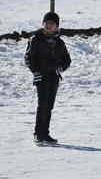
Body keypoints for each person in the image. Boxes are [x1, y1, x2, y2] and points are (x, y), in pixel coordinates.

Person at [24, 11, 71, 145]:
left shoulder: (59, 42)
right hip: (41, 76)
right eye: (47, 23)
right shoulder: (36, 39)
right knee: (42, 104)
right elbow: (28, 58)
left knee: (49, 105)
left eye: (52, 24)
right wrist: (35, 71)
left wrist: (61, 67)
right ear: (43, 24)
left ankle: (46, 133)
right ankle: (38, 134)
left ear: (57, 26)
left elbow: (67, 60)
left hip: (54, 76)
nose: (49, 26)